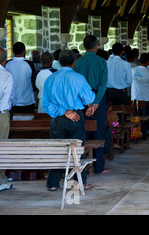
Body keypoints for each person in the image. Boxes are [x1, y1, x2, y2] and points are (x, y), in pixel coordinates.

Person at [42, 50, 96, 191]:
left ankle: (53, 183)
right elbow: (89, 98)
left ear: (59, 62)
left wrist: (63, 111)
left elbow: (46, 105)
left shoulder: (51, 78)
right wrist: (70, 110)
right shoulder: (78, 78)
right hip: (75, 118)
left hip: (57, 118)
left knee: (57, 150)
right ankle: (79, 182)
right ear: (74, 62)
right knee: (77, 151)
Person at [74, 35, 110, 174]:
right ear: (96, 46)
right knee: (99, 131)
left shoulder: (78, 63)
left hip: (81, 101)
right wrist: (95, 103)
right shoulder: (101, 61)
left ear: (84, 46)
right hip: (98, 98)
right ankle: (99, 166)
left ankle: (82, 166)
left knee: (83, 131)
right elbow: (103, 85)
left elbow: (76, 84)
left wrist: (87, 102)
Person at [131, 53, 149, 140]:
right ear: (147, 62)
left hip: (135, 97)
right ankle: (143, 133)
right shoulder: (148, 72)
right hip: (147, 97)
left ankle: (136, 133)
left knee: (136, 116)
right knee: (146, 117)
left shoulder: (133, 70)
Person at [5, 42, 36, 114]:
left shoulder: (7, 64)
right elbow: (33, 81)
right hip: (27, 100)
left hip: (12, 101)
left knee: (13, 124)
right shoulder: (29, 64)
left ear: (13, 51)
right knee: (29, 124)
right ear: (24, 51)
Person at [0, 48, 14, 192]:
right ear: (4, 60)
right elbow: (6, 100)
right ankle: (1, 179)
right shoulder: (6, 75)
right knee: (1, 146)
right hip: (1, 114)